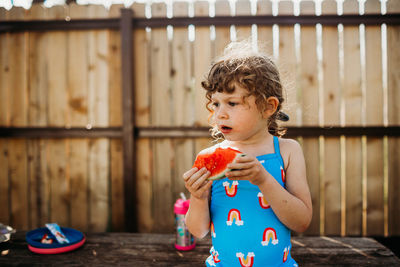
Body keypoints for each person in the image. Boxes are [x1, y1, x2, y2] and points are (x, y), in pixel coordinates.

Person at [182, 41, 312, 267]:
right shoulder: (209, 156)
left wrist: (262, 179)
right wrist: (198, 197)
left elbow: (301, 222)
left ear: (268, 107)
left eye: (232, 103)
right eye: (215, 104)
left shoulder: (288, 151)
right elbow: (198, 231)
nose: (219, 115)